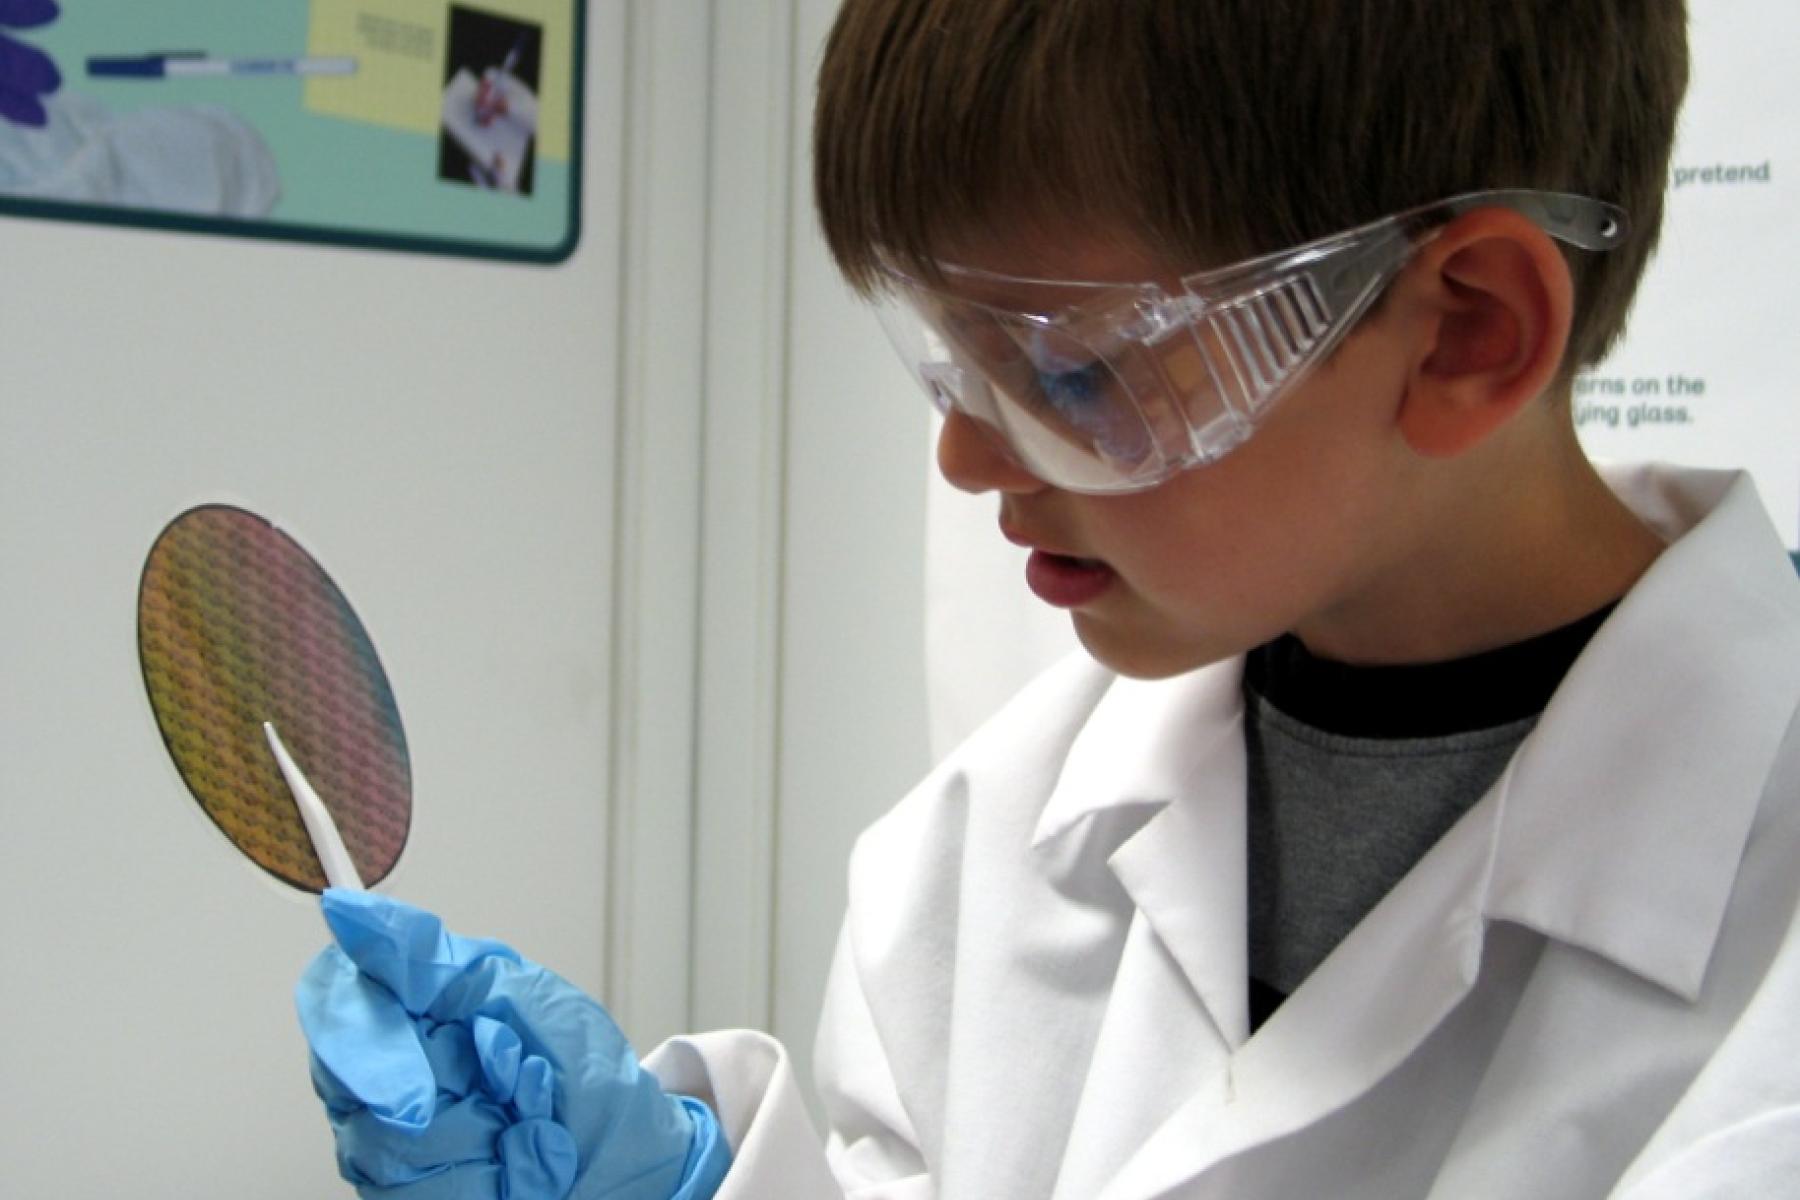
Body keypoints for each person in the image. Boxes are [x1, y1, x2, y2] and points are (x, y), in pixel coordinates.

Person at [295, 1, 1800, 1196]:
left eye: (1072, 370)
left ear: (1465, 332)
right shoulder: (985, 847)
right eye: (946, 361)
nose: (962, 456)